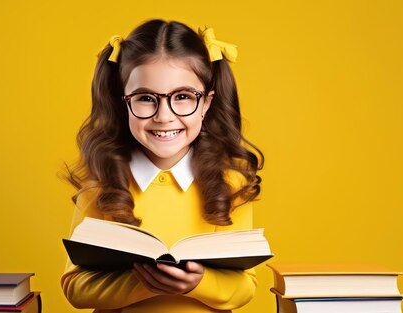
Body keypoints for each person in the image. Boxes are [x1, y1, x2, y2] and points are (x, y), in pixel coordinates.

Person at [61, 19, 264, 313]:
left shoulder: (231, 184)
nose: (164, 116)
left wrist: (198, 283)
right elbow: (76, 287)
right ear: (123, 103)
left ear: (206, 103)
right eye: (146, 98)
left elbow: (246, 287)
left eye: (182, 97)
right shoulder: (101, 185)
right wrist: (149, 282)